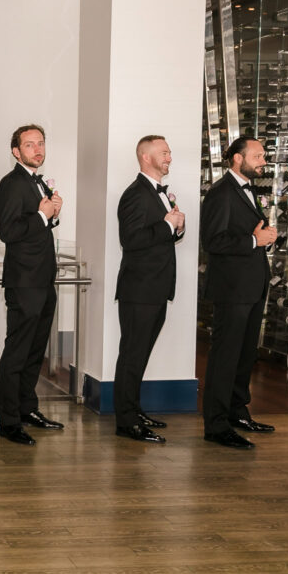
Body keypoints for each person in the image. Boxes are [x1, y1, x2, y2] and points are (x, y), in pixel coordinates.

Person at [200, 137, 276, 449]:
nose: (263, 161)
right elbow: (213, 242)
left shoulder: (248, 189)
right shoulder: (221, 193)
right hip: (232, 289)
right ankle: (216, 425)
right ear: (236, 159)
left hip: (253, 285)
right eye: (257, 156)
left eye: (263, 156)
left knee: (246, 354)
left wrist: (265, 237)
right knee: (225, 356)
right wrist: (253, 241)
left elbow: (248, 231)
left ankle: (236, 411)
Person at [0, 124, 64, 446]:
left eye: (41, 143)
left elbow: (36, 226)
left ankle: (26, 407)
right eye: (30, 144)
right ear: (16, 151)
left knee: (36, 352)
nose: (37, 149)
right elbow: (8, 231)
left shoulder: (37, 183)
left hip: (44, 280)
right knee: (17, 352)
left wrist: (52, 213)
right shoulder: (11, 184)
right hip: (24, 283)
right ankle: (8, 421)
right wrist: (41, 215)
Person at [114, 135, 185, 444]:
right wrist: (168, 226)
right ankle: (126, 422)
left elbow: (158, 237)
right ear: (146, 157)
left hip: (155, 289)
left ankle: (134, 410)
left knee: (139, 355)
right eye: (164, 152)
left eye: (169, 152)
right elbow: (131, 240)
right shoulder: (134, 194)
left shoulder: (158, 193)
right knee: (131, 356)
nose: (169, 156)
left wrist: (177, 226)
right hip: (139, 291)